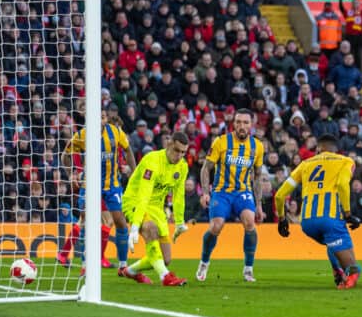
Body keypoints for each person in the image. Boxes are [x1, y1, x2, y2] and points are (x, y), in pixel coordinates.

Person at [274, 134, 362, 289]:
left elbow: (280, 195)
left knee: (331, 242)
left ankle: (337, 270)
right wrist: (348, 213)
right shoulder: (345, 161)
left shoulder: (305, 164)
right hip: (329, 218)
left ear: (320, 148)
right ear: (336, 149)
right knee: (354, 269)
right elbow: (342, 185)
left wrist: (282, 218)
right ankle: (349, 274)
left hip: (307, 222)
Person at [58, 109, 137, 275]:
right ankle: (86, 264)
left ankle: (122, 265)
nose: (100, 120)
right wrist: (71, 173)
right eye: (97, 116)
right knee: (86, 221)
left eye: (102, 117)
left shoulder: (116, 132)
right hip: (89, 185)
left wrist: (134, 172)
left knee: (120, 222)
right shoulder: (81, 135)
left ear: (105, 119)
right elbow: (65, 155)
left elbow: (128, 150)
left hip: (111, 185)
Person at [196, 108, 265, 282]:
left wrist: (258, 204)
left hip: (243, 192)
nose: (242, 126)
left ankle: (248, 269)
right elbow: (206, 168)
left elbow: (257, 176)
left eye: (245, 122)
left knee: (250, 222)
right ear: (233, 123)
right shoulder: (221, 142)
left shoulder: (257, 146)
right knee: (216, 227)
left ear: (251, 125)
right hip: (221, 192)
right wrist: (205, 193)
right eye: (239, 122)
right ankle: (204, 262)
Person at [120, 131, 190, 286]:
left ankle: (129, 271)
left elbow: (179, 196)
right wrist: (135, 225)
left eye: (183, 153)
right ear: (169, 144)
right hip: (135, 202)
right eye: (177, 150)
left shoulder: (182, 167)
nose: (179, 156)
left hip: (156, 208)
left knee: (165, 259)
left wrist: (179, 223)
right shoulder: (152, 160)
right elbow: (143, 195)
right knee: (150, 228)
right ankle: (165, 277)